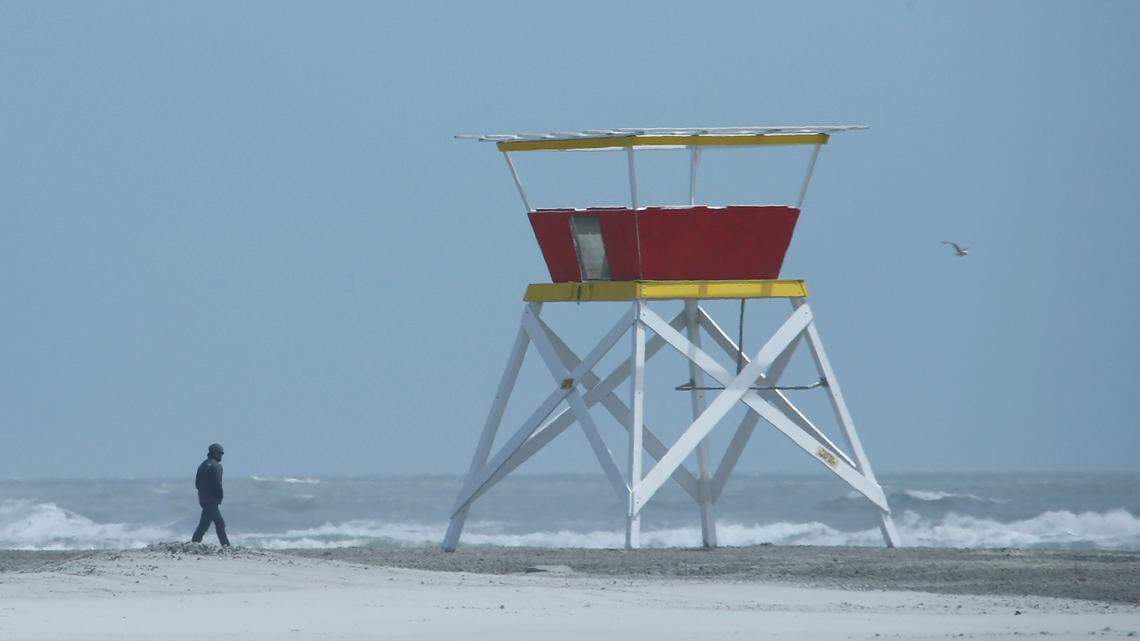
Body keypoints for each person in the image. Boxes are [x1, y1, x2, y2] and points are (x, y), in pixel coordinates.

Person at [191, 443, 231, 546]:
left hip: (203, 499)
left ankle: (194, 542)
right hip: (212, 500)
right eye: (220, 454)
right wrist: (220, 496)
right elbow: (217, 484)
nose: (221, 456)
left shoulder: (202, 465)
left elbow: (197, 484)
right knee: (220, 524)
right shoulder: (216, 466)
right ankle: (226, 546)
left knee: (204, 524)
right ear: (215, 453)